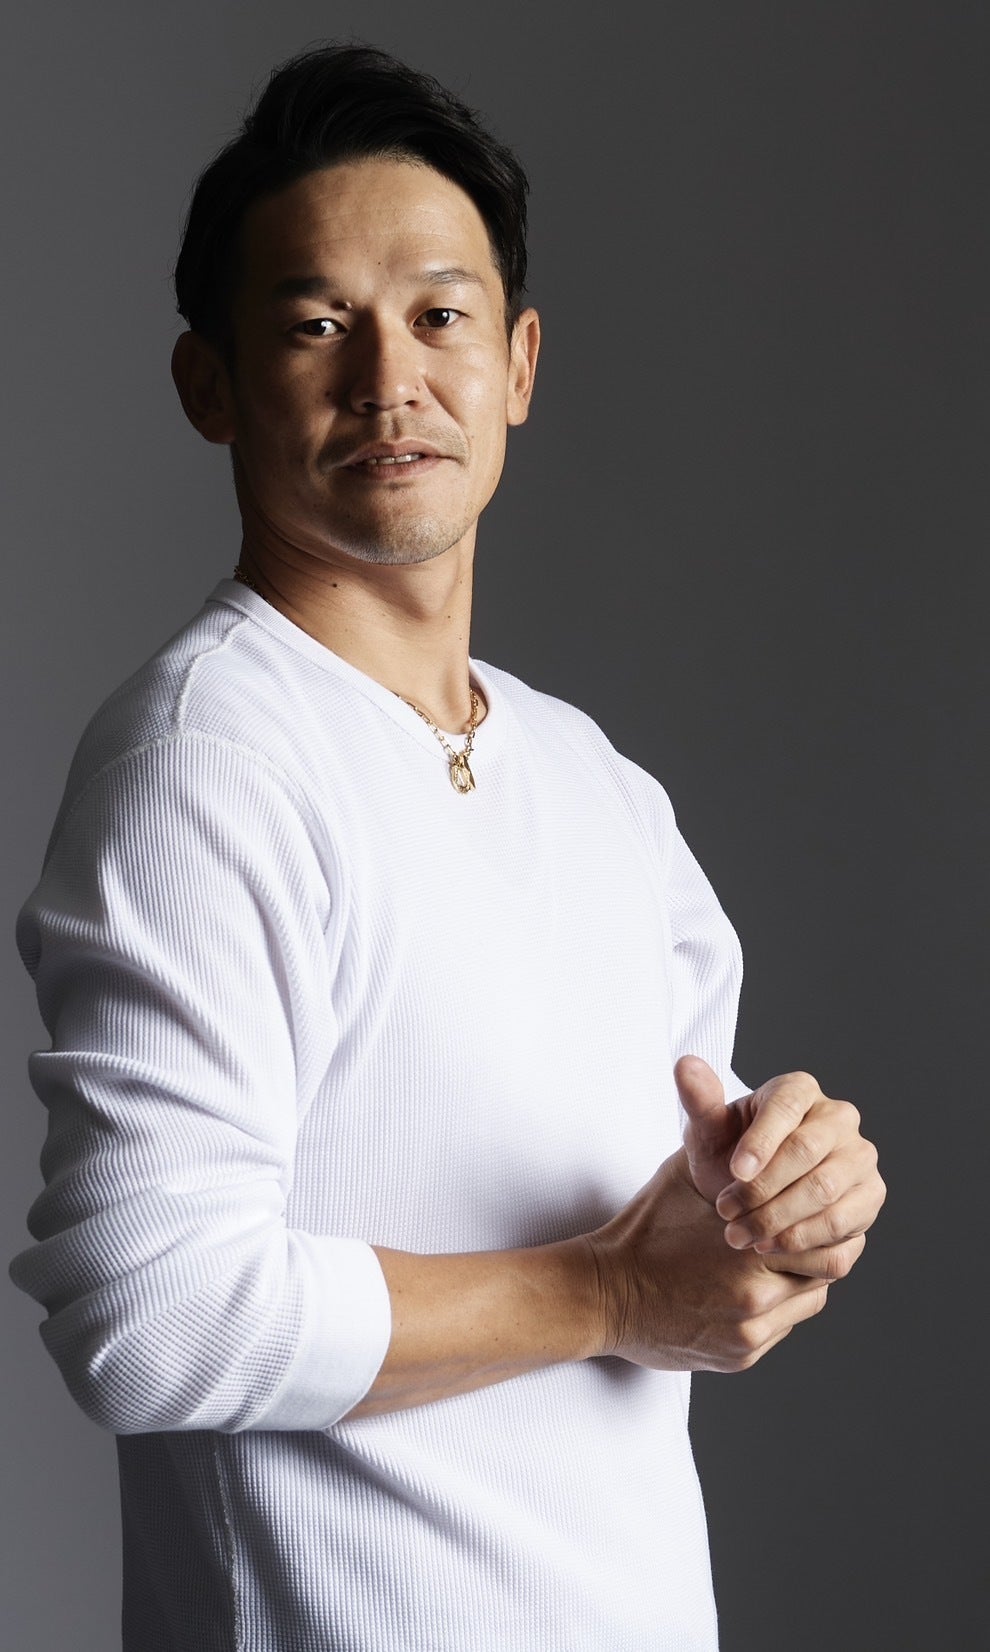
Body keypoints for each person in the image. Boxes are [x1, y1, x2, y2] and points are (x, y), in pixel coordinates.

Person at [10, 42, 885, 1652]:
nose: (386, 380)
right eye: (313, 324)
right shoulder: (212, 758)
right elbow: (149, 1310)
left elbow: (682, 1238)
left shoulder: (596, 784)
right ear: (209, 386)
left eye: (437, 316)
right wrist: (605, 1292)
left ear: (518, 363)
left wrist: (785, 1205)